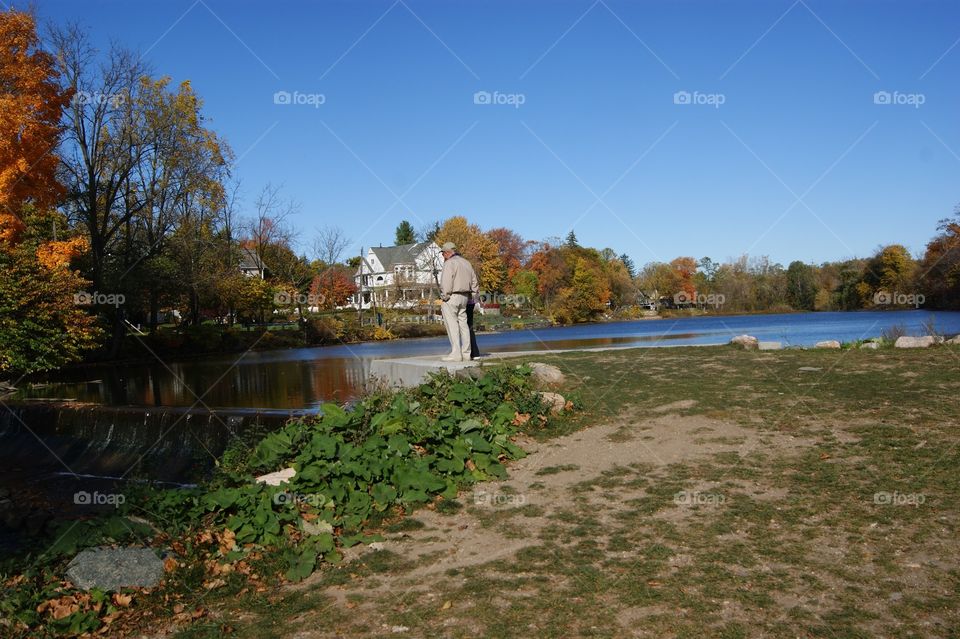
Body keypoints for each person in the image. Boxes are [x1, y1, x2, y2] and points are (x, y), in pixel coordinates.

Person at [438, 241, 479, 361]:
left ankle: (456, 354)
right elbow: (474, 282)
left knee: (452, 325)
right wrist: (472, 296)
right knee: (464, 325)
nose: (443, 257)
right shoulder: (466, 263)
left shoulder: (449, 263)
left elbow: (446, 282)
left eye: (443, 254)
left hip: (452, 297)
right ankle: (466, 353)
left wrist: (445, 296)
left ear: (447, 252)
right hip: (465, 297)